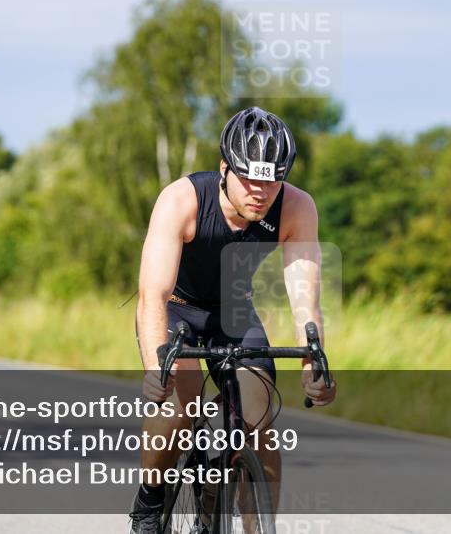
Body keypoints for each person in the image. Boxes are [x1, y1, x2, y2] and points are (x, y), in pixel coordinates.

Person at [129, 106, 337, 533]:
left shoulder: (297, 207)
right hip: (177, 310)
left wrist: (312, 363)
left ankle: (254, 527)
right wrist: (155, 366)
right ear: (225, 168)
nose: (260, 191)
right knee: (180, 405)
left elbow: (305, 301)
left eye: (272, 179)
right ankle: (149, 505)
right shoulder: (182, 200)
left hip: (233, 311)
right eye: (249, 178)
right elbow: (153, 294)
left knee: (259, 425)